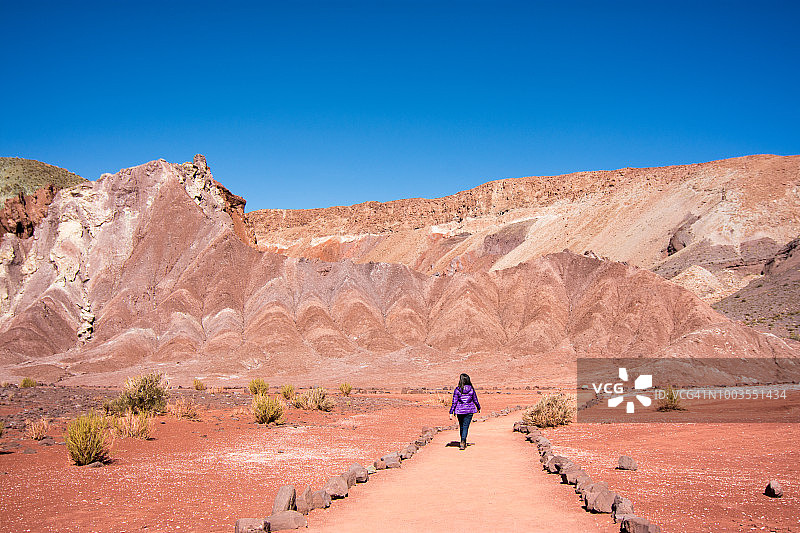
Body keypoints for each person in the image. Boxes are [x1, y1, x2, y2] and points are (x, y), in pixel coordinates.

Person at [449, 373, 481, 450]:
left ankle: (462, 441)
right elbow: (475, 400)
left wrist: (451, 412)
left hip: (460, 411)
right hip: (469, 410)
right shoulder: (471, 389)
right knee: (466, 426)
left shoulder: (457, 389)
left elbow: (454, 402)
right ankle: (463, 441)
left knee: (462, 426)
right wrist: (478, 407)